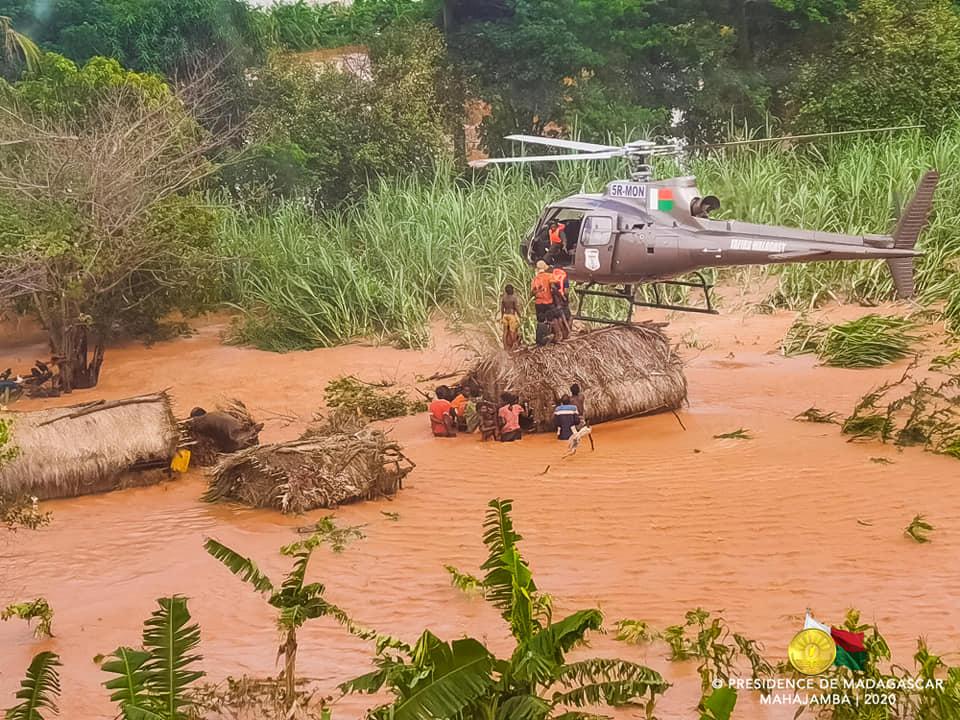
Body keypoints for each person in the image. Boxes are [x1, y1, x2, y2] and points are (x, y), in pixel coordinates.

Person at [187, 407, 263, 453]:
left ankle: (246, 437)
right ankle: (250, 433)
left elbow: (191, 424)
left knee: (226, 444)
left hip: (236, 443)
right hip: (244, 432)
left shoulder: (202, 420)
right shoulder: (217, 413)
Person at [500, 284, 521, 350]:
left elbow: (502, 308)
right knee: (512, 331)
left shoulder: (504, 298)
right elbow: (516, 308)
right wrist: (520, 315)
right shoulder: (513, 298)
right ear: (512, 290)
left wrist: (501, 316)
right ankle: (514, 344)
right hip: (511, 316)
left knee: (505, 332)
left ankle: (505, 346)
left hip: (505, 315)